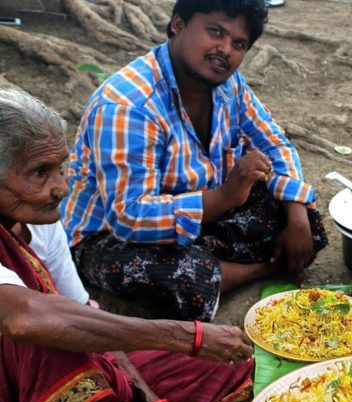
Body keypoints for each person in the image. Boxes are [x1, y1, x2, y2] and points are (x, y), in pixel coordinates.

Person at [0, 88, 254, 402]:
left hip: (34, 388)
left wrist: (152, 401)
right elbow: (26, 319)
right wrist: (184, 334)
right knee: (48, 341)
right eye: (39, 173)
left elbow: (84, 313)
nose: (62, 187)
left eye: (61, 168)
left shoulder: (37, 221)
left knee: (212, 364)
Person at [61, 0, 328, 321]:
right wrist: (225, 197)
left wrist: (295, 213)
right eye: (215, 32)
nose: (225, 49)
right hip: (108, 236)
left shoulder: (229, 85)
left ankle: (224, 264)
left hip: (197, 211)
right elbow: (128, 217)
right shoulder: (129, 105)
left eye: (238, 44)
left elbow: (272, 141)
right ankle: (261, 269)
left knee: (303, 218)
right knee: (184, 275)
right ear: (178, 25)